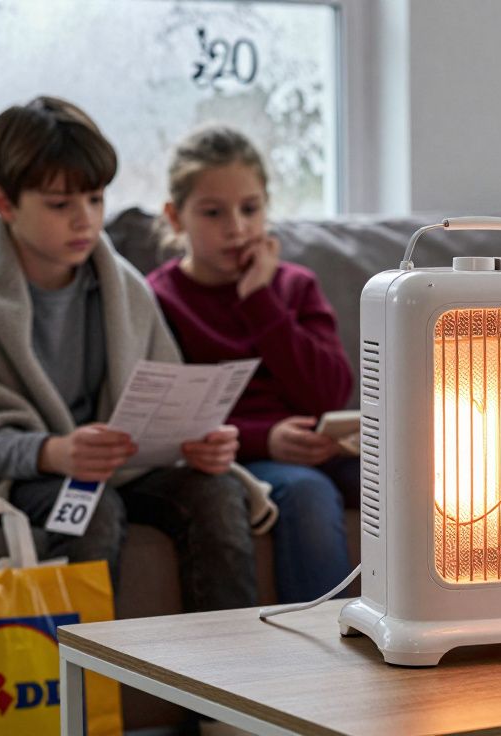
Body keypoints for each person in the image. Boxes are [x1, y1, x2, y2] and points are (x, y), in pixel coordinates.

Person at [0, 97, 274, 614]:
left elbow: (162, 404)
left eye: (95, 199)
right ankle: (79, 670)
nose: (85, 220)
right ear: (3, 203)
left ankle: (225, 667)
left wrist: (195, 444)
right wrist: (52, 453)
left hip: (117, 467)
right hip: (28, 475)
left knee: (217, 491)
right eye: (59, 204)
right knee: (90, 509)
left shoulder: (124, 288)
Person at [147, 125, 357, 604]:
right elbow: (172, 413)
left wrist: (261, 299)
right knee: (307, 492)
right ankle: (323, 645)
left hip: (318, 446)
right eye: (213, 212)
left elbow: (329, 394)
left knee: (412, 478)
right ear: (175, 217)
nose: (237, 228)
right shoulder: (158, 299)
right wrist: (266, 439)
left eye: (250, 209)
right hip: (239, 455)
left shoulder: (295, 286)